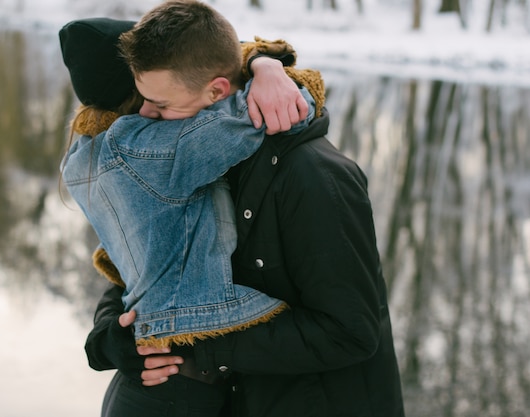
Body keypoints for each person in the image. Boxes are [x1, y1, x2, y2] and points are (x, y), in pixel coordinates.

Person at [71, 5, 406, 417]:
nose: (146, 115)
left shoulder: (315, 177)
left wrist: (194, 341)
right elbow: (143, 268)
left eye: (158, 103)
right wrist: (114, 338)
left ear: (215, 92)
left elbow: (350, 333)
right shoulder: (188, 154)